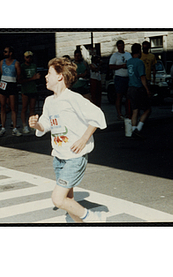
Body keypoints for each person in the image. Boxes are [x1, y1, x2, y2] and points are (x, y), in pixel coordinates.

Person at [29, 57, 107, 223]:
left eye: (49, 73)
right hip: (59, 157)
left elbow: (97, 116)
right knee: (67, 201)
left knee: (58, 199)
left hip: (73, 158)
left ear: (59, 76)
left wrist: (83, 139)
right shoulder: (49, 101)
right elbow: (46, 124)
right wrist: (36, 125)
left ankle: (94, 219)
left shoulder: (73, 98)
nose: (45, 77)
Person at [127, 43, 151, 139]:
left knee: (135, 110)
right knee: (147, 109)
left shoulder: (129, 61)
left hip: (131, 88)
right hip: (138, 88)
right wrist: (147, 89)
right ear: (139, 51)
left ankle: (133, 130)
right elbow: (142, 77)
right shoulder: (140, 62)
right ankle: (139, 128)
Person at [0, 46, 22, 137]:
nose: (4, 53)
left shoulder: (16, 63)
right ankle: (2, 128)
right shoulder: (2, 62)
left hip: (12, 85)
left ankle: (14, 128)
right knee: (3, 106)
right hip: (3, 84)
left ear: (10, 53)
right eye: (4, 51)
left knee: (13, 107)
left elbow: (18, 76)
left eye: (6, 51)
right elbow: (2, 73)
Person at [109, 40, 132, 120]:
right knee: (119, 96)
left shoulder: (128, 54)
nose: (121, 48)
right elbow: (111, 66)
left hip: (128, 77)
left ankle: (127, 113)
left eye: (122, 46)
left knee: (128, 96)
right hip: (119, 77)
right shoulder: (114, 56)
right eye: (119, 46)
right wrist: (121, 66)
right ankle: (119, 114)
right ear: (117, 47)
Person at [20, 51, 40, 134]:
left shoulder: (34, 66)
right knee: (24, 108)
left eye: (30, 57)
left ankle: (32, 125)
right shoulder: (22, 66)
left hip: (33, 89)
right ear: (24, 58)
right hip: (25, 89)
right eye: (27, 57)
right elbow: (21, 80)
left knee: (32, 108)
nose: (29, 58)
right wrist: (33, 78)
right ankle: (24, 125)